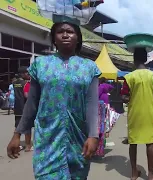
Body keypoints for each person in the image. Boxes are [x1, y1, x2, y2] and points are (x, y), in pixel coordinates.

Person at [7, 19, 101, 179]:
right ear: (53, 38)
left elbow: (92, 104)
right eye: (60, 31)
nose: (65, 34)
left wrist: (93, 135)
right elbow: (31, 104)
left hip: (78, 138)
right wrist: (17, 134)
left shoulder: (89, 67)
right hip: (47, 139)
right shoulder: (40, 65)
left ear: (78, 37)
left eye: (70, 31)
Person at [121, 48, 153, 180]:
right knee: (150, 143)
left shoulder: (129, 77)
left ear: (134, 59)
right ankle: (150, 174)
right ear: (146, 59)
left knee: (133, 142)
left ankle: (134, 173)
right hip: (149, 113)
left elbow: (124, 97)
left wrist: (133, 97)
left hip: (134, 114)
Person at [12, 66, 33, 152]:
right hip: (25, 108)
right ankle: (28, 146)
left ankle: (16, 145)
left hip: (17, 108)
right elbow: (26, 96)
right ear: (23, 73)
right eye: (27, 73)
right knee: (27, 127)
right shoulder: (26, 83)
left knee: (18, 127)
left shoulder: (14, 82)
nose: (28, 74)